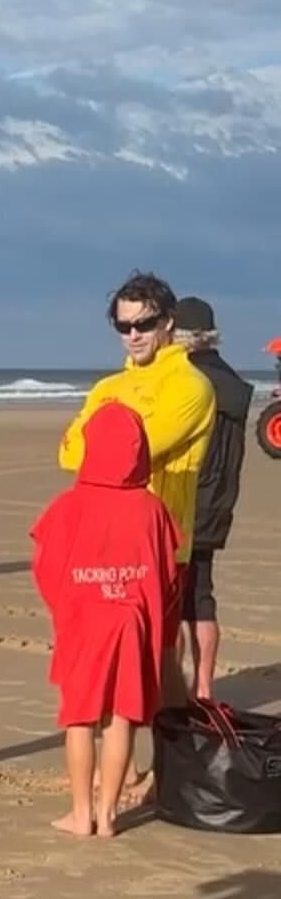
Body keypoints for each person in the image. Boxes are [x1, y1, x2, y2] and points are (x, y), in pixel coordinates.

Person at [59, 272, 214, 711]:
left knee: (159, 658)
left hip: (158, 544)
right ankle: (122, 769)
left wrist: (100, 443)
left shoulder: (189, 386)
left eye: (143, 324)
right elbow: (69, 453)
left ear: (167, 322)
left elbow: (137, 453)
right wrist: (101, 446)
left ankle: (173, 767)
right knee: (105, 656)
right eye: (123, 326)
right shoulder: (108, 388)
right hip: (101, 542)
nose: (133, 335)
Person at [32, 404, 182, 838]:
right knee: (123, 715)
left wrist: (68, 604)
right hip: (132, 620)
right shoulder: (152, 509)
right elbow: (169, 575)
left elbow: (46, 567)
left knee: (80, 717)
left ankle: (82, 813)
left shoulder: (68, 506)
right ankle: (108, 815)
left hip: (85, 619)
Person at [172, 296, 253, 700]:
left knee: (175, 601)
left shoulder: (187, 380)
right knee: (201, 595)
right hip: (218, 499)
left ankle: (177, 690)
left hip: (186, 498)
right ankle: (203, 688)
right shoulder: (233, 383)